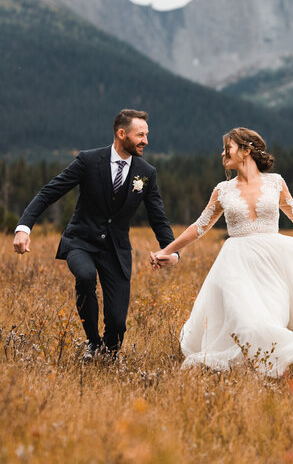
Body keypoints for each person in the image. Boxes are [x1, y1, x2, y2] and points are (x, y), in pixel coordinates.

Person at [150, 127, 293, 376]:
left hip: (273, 261)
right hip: (236, 262)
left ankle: (269, 367)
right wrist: (167, 251)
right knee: (244, 314)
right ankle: (247, 370)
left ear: (246, 151)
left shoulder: (276, 182)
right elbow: (198, 228)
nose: (223, 154)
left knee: (271, 314)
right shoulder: (222, 190)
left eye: (228, 148)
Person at [13, 109, 178, 359]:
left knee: (117, 322)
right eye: (140, 135)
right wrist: (24, 228)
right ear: (122, 134)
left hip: (116, 250)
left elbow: (158, 217)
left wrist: (171, 251)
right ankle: (92, 342)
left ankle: (107, 354)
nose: (146, 140)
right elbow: (49, 192)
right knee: (86, 276)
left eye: (146, 134)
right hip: (81, 241)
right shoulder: (88, 161)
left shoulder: (146, 172)